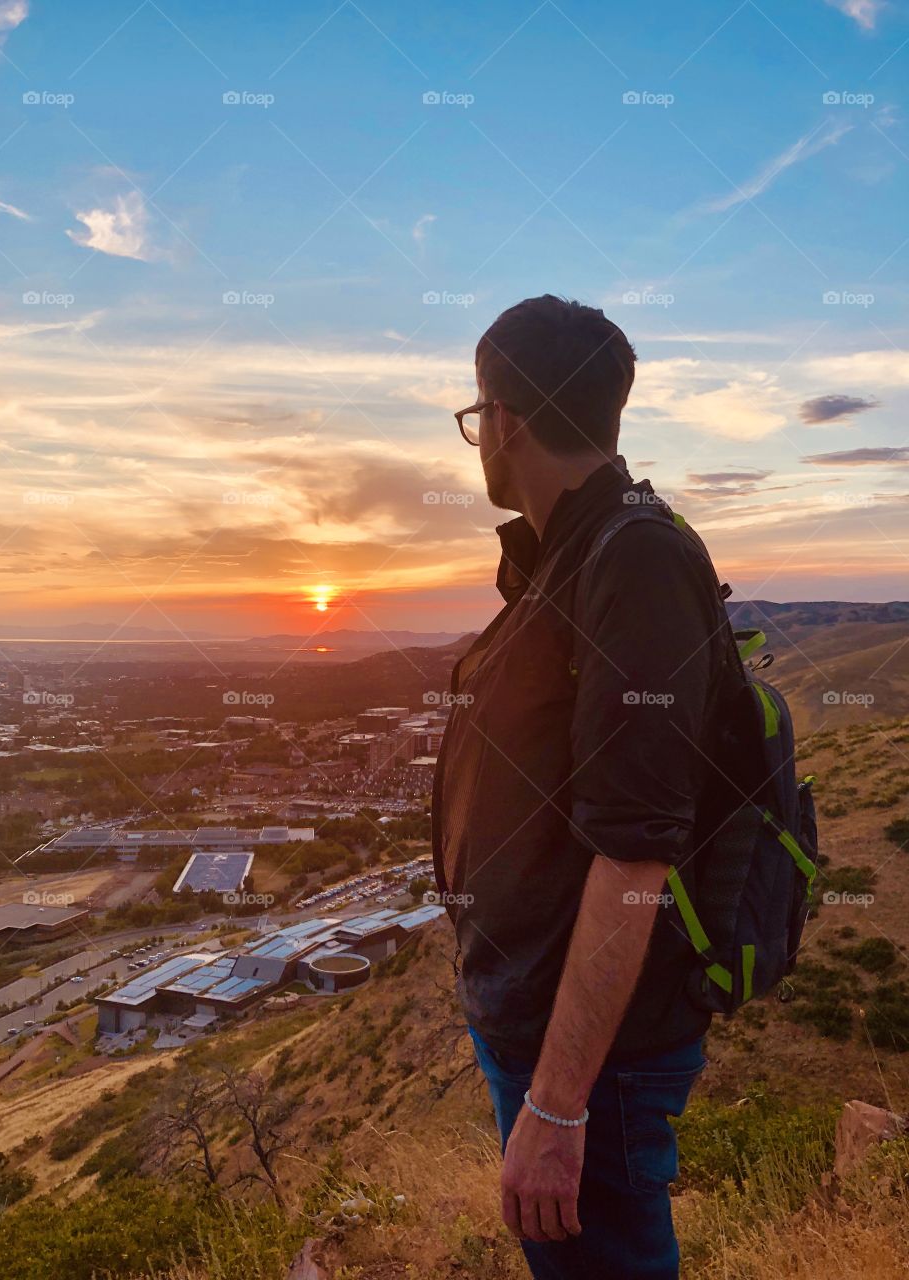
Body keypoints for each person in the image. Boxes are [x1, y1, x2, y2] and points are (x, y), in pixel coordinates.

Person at [430, 295, 732, 1280]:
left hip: (596, 1051)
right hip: (543, 1017)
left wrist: (560, 1105)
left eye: (478, 416)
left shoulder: (633, 556)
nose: (479, 440)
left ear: (506, 419)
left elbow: (636, 848)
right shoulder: (572, 552)